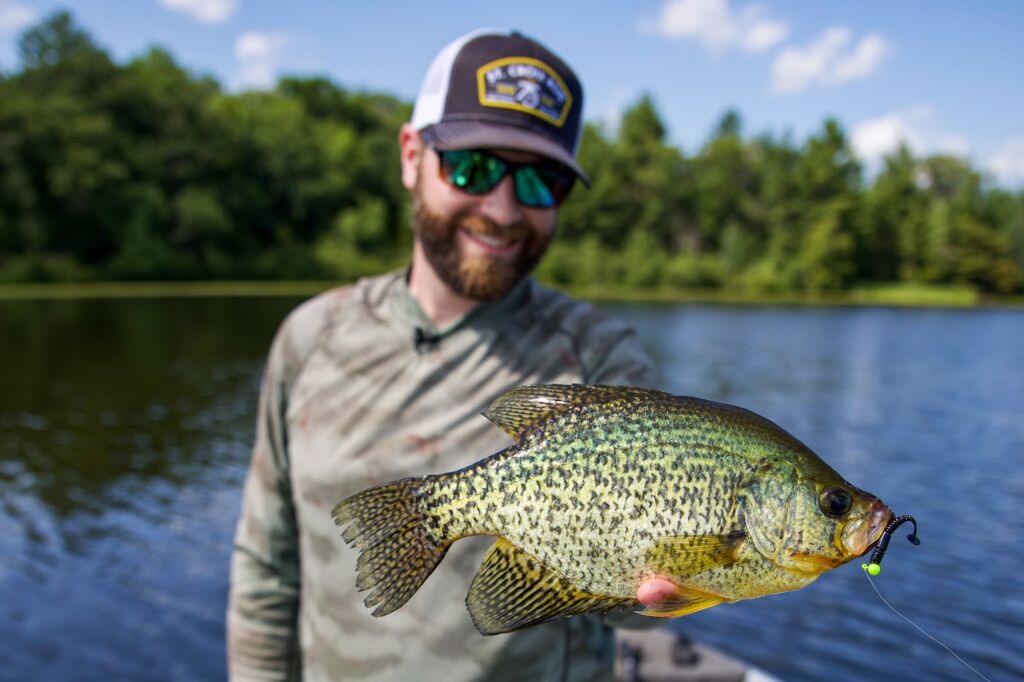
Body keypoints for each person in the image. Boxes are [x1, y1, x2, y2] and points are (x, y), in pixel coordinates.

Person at [227, 29, 674, 681]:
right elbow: (266, 570)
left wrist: (659, 584)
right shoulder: (308, 338)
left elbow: (634, 610)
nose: (501, 208)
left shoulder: (599, 357)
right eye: (474, 166)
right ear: (412, 154)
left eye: (541, 182)